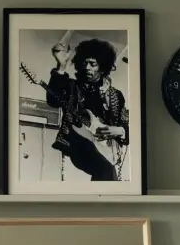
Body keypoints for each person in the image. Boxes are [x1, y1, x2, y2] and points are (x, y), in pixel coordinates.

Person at [43, 37, 129, 181]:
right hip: (77, 144)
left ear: (102, 67)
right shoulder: (72, 86)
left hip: (106, 149)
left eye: (92, 64)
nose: (87, 67)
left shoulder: (115, 95)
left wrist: (119, 131)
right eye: (84, 63)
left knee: (109, 174)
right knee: (106, 170)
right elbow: (53, 100)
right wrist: (61, 66)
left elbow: (126, 124)